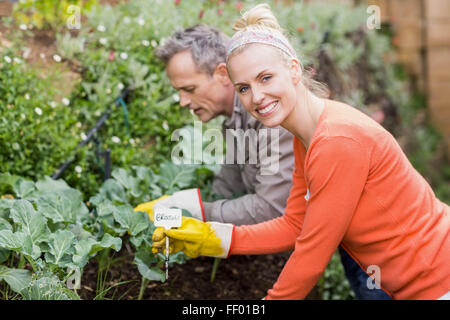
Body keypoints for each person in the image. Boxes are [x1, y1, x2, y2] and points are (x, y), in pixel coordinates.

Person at [151, 4, 450, 300]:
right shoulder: (305, 137)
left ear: (293, 69)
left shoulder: (335, 140)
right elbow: (295, 225)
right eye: (243, 88)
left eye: (266, 78)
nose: (256, 96)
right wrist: (213, 238)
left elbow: (311, 255)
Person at [136, 25, 295, 225]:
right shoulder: (235, 119)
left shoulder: (268, 115)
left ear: (222, 74)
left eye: (190, 89)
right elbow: (229, 185)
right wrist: (177, 205)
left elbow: (272, 209)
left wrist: (198, 212)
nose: (183, 101)